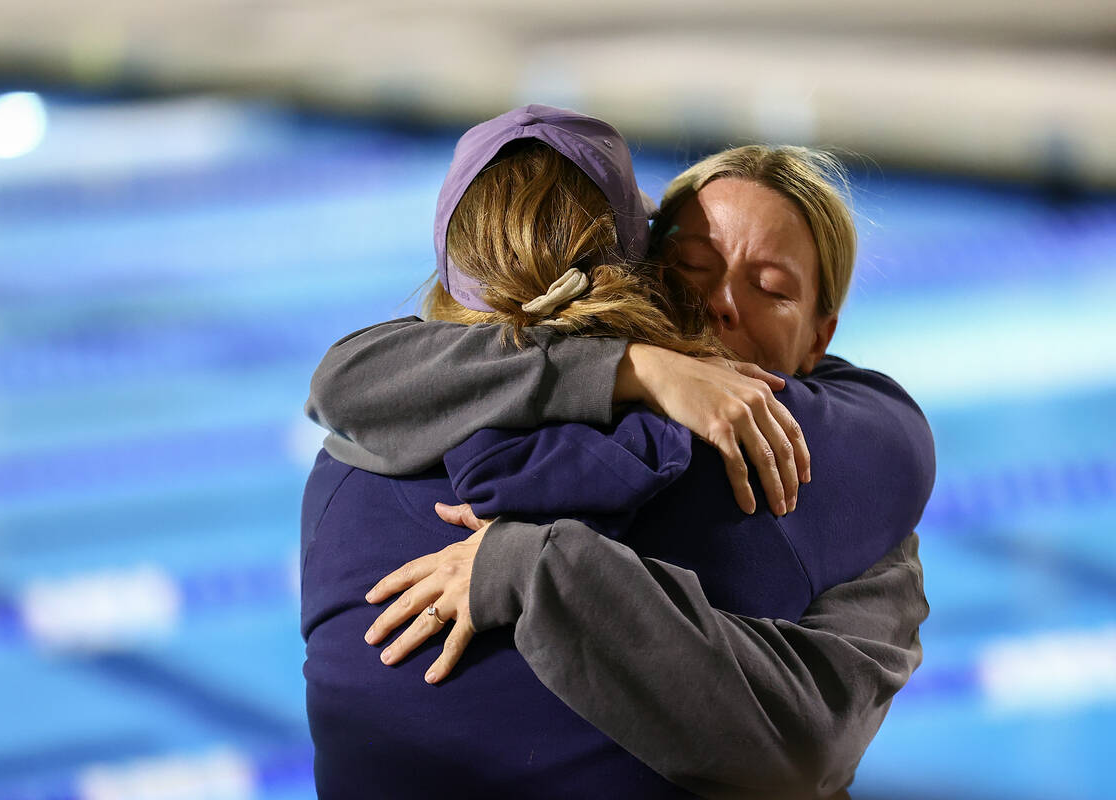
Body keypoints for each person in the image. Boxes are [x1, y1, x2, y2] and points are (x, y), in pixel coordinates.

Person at [303, 106, 934, 798]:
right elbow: (800, 761)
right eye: (692, 267)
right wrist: (636, 366)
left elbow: (347, 376)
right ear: (637, 277)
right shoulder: (828, 490)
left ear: (821, 336)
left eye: (772, 289)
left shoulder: (346, 465)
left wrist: (530, 562)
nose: (722, 303)